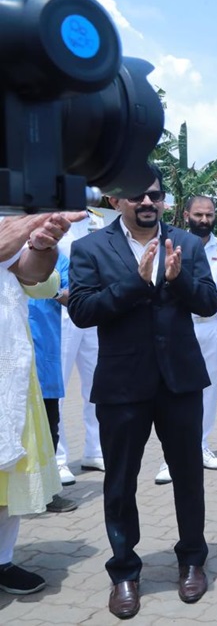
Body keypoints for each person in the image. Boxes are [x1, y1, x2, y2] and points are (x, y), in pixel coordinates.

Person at [68, 170, 217, 618]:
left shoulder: (187, 246)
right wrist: (136, 281)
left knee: (189, 476)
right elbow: (81, 310)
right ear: (115, 201)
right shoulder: (90, 248)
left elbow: (209, 303)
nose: (146, 202)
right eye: (136, 196)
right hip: (122, 386)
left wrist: (178, 279)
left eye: (154, 194)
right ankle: (125, 572)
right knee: (119, 484)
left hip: (180, 382)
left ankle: (192, 560)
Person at [0, 211, 81, 595]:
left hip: (9, 374)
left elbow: (36, 279)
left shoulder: (11, 221)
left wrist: (40, 243)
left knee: (6, 479)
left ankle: (2, 560)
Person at [154, 196, 217, 485]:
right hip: (183, 327)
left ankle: (201, 447)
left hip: (213, 326)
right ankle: (172, 458)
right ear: (187, 214)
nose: (204, 220)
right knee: (177, 391)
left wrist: (215, 314)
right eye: (199, 214)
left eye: (209, 215)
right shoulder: (173, 244)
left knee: (210, 390)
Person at [55, 209, 107, 485]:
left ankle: (95, 450)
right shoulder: (48, 215)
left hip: (92, 308)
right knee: (58, 388)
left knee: (96, 385)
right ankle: (58, 459)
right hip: (59, 309)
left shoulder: (96, 218)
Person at [27, 251, 78, 513]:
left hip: (44, 357)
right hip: (10, 358)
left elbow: (74, 298)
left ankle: (47, 492)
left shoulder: (56, 258)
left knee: (48, 429)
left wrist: (51, 289)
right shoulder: (6, 253)